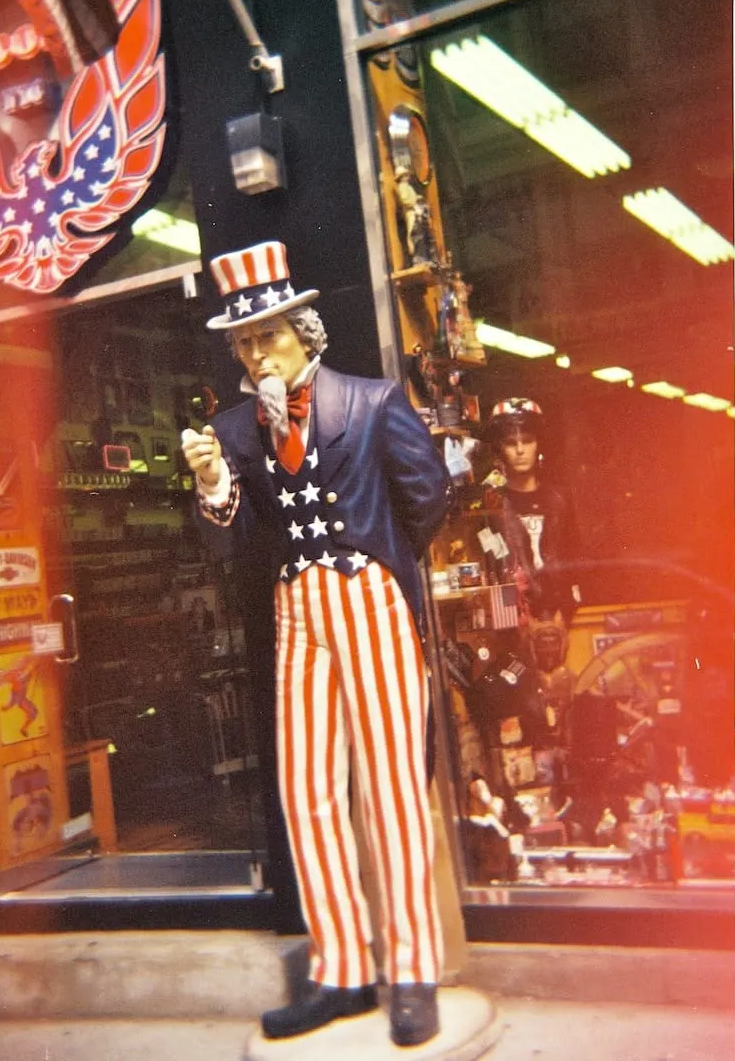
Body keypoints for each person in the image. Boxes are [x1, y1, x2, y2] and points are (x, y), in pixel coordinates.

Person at [179, 240, 450, 1048]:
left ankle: (413, 969)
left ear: (306, 332)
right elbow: (225, 542)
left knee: (394, 790)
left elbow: (427, 497)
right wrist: (212, 483)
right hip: (295, 610)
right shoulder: (232, 429)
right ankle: (342, 969)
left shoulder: (371, 403)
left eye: (271, 333)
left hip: (367, 600)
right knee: (306, 792)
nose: (259, 350)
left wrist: (375, 563)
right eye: (245, 339)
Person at [482, 397, 580, 626]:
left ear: (538, 444)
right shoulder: (492, 502)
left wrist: (570, 606)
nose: (519, 450)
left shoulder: (559, 500)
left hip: (560, 613)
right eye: (510, 443)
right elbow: (493, 566)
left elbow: (575, 556)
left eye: (527, 441)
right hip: (512, 613)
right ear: (500, 449)